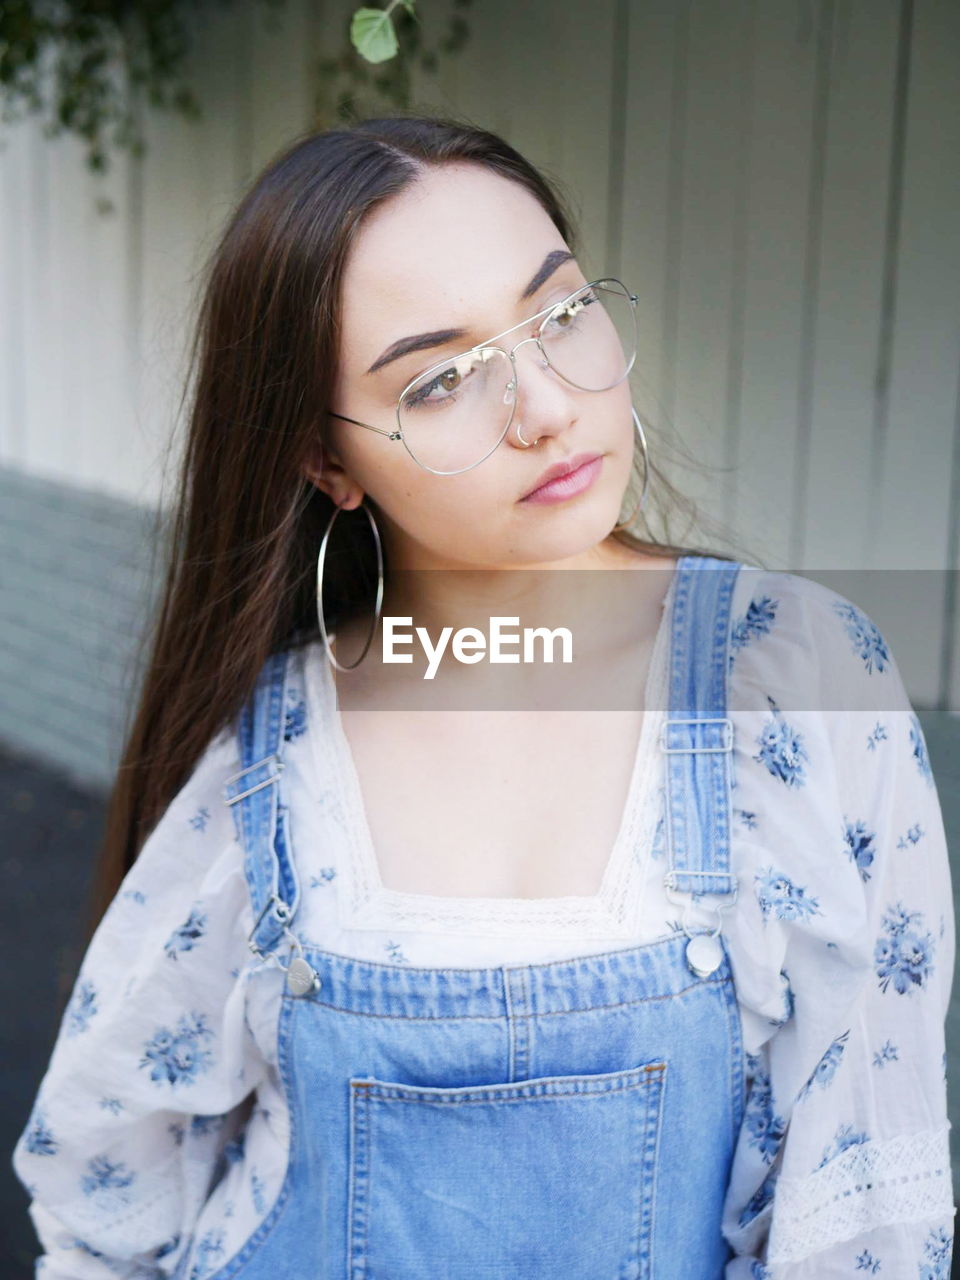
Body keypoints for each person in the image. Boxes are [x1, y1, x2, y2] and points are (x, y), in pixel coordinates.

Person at [11, 113, 954, 1279]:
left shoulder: (792, 685)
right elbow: (103, 1197)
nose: (546, 405)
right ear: (326, 460)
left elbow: (867, 1220)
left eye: (561, 312)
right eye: (445, 376)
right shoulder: (280, 749)